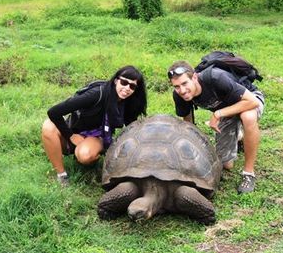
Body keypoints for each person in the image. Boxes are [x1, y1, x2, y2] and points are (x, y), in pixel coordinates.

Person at [167, 60, 264, 194]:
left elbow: (252, 102)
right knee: (226, 165)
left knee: (248, 117)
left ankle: (248, 173)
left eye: (185, 83)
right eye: (177, 86)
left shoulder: (215, 78)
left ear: (194, 77)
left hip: (248, 100)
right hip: (227, 111)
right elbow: (188, 124)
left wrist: (218, 114)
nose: (182, 90)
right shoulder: (179, 95)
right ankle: (239, 136)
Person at [42, 65, 147, 186]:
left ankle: (92, 159)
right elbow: (53, 112)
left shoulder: (128, 102)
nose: (127, 88)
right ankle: (61, 175)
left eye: (132, 86)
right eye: (124, 82)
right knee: (48, 126)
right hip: (73, 131)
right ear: (116, 80)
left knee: (85, 155)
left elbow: (131, 129)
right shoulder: (97, 94)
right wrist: (70, 136)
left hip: (96, 136)